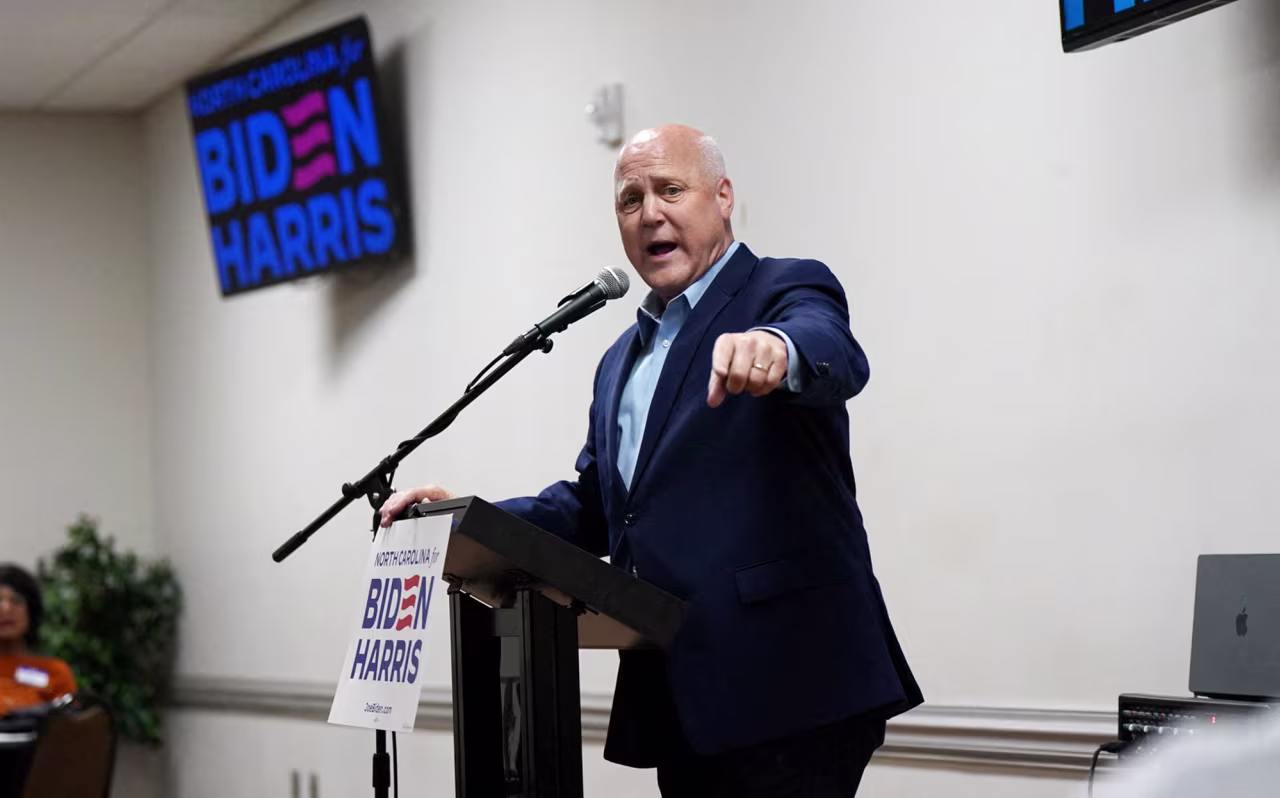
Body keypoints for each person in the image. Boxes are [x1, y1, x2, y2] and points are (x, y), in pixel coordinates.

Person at [381, 124, 922, 796]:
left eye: (670, 189)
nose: (649, 213)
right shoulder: (620, 362)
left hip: (793, 685)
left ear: (722, 197)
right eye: (630, 200)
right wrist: (462, 521)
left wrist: (777, 351)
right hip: (683, 696)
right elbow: (593, 507)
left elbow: (829, 347)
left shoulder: (782, 288)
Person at [0, 565, 76, 714]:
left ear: (31, 612)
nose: (6, 608)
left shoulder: (54, 672)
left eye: (16, 600)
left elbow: (70, 732)